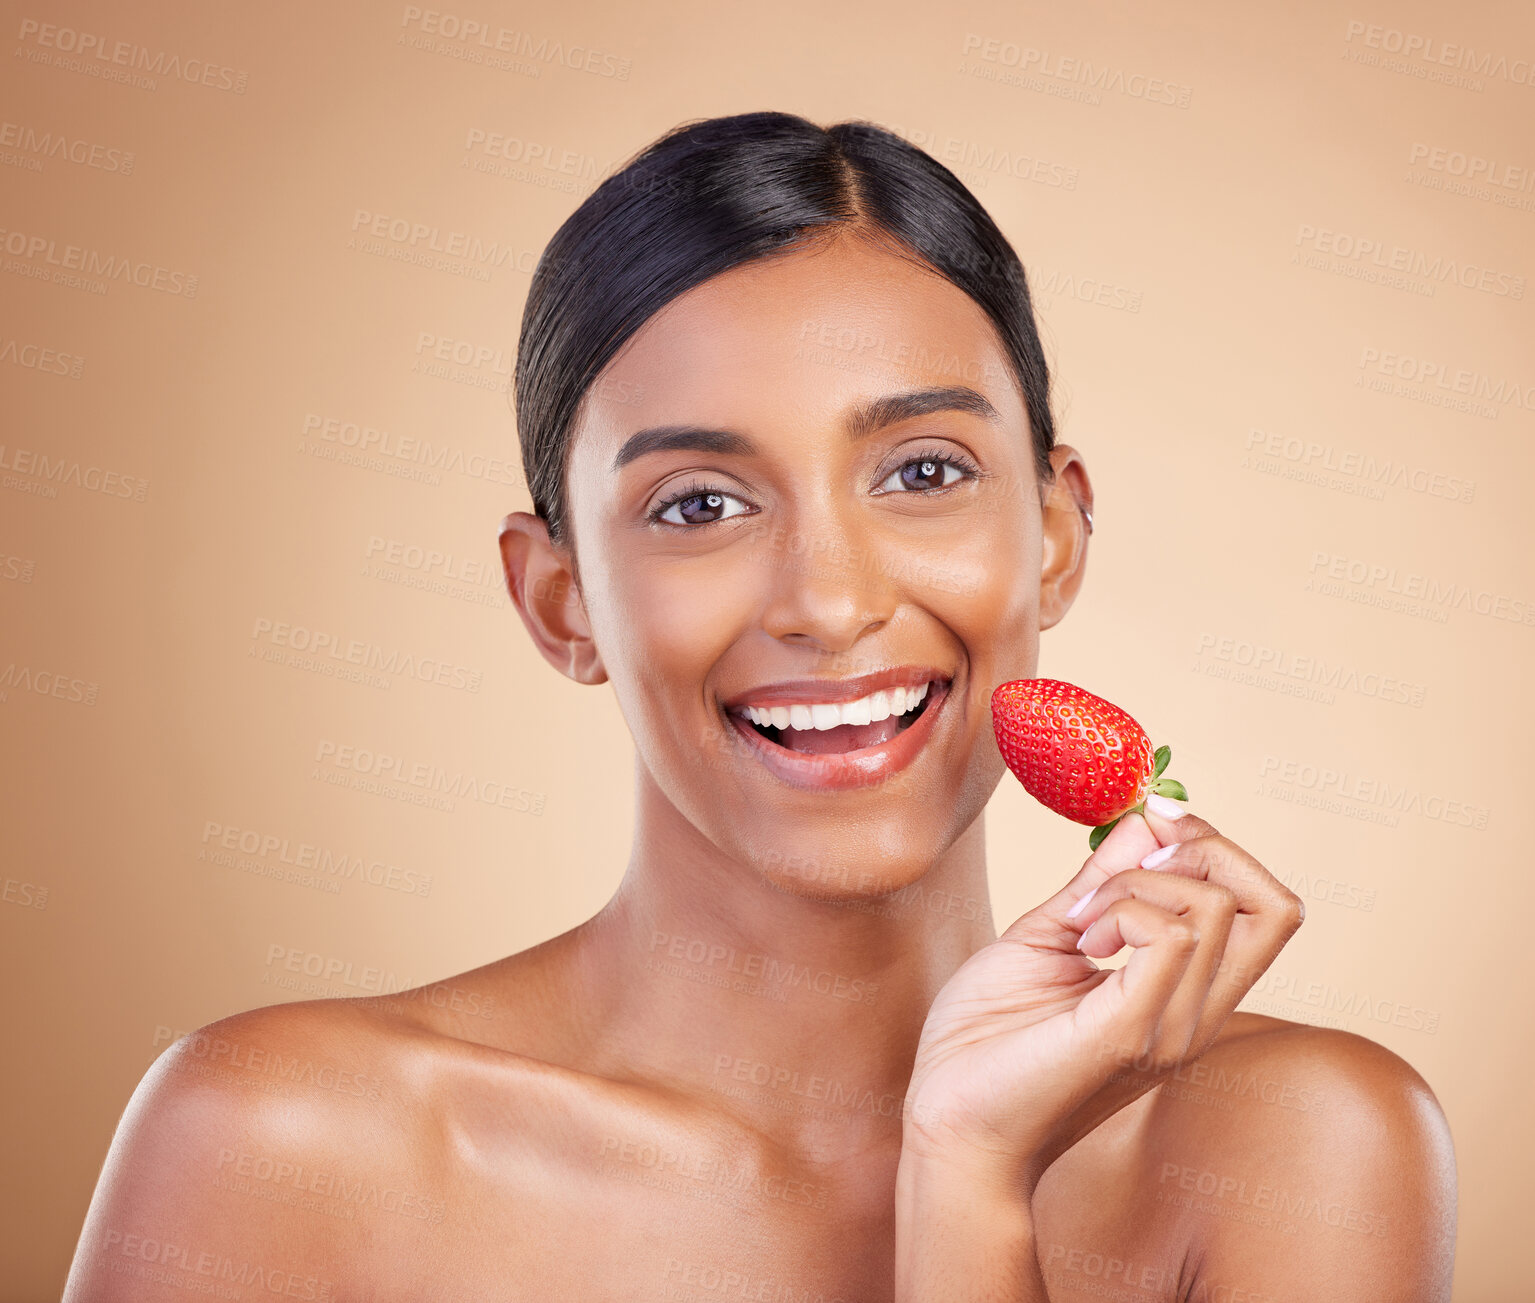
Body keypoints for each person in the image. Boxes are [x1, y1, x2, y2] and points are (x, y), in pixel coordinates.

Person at [63, 111, 1455, 1302]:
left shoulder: (1302, 1146)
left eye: (921, 472)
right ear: (559, 602)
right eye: (702, 504)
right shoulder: (283, 1140)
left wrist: (968, 1181)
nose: (830, 601)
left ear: (1055, 533)